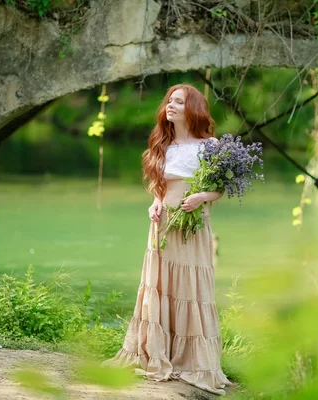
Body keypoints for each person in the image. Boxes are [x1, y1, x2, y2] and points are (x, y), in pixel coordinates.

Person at [102, 84, 233, 395]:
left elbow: (219, 189)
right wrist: (155, 201)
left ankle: (191, 359)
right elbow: (160, 187)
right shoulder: (166, 143)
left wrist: (202, 197)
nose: (170, 106)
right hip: (163, 223)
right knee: (160, 285)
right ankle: (158, 353)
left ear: (193, 109)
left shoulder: (210, 145)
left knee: (189, 285)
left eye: (178, 102)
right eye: (169, 101)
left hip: (192, 222)